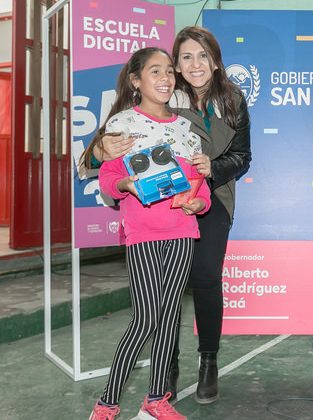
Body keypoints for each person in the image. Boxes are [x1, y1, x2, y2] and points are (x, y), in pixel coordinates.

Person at [96, 26, 252, 404]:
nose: (194, 64)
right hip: (159, 209)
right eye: (185, 57)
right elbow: (108, 149)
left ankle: (208, 362)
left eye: (202, 55)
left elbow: (243, 157)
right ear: (176, 64)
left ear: (215, 61)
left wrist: (211, 168)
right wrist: (100, 147)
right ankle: (168, 367)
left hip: (213, 198)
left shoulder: (232, 99)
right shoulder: (165, 93)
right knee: (164, 298)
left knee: (205, 278)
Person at [84, 47, 212, 420]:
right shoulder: (122, 124)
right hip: (142, 233)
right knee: (145, 318)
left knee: (170, 315)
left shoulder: (186, 130)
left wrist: (196, 205)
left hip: (182, 233)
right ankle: (107, 403)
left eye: (170, 71)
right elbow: (108, 180)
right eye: (155, 71)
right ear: (136, 81)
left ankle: (157, 399)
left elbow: (199, 190)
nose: (166, 78)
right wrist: (126, 181)